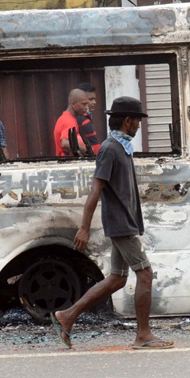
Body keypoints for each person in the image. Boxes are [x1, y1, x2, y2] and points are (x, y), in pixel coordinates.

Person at [49, 97, 173, 350]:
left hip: (125, 223)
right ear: (127, 121)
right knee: (145, 274)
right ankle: (143, 335)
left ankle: (67, 315)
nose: (139, 125)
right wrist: (84, 227)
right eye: (137, 120)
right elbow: (95, 192)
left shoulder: (122, 147)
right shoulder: (109, 149)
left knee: (117, 278)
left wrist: (136, 221)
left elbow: (125, 192)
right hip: (120, 224)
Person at [53, 88, 91, 157]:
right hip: (67, 163)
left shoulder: (64, 118)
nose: (87, 107)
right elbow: (65, 143)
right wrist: (85, 150)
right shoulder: (69, 121)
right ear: (73, 104)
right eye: (84, 104)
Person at [75, 82, 102, 155]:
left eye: (94, 99)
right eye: (91, 99)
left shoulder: (79, 118)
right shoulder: (83, 121)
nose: (94, 102)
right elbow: (95, 147)